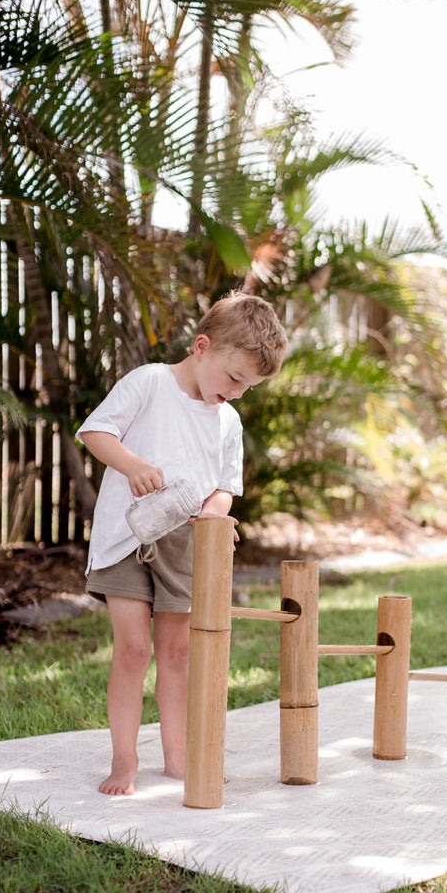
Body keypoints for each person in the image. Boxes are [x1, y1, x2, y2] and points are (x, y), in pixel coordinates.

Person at [77, 292, 287, 796]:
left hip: (182, 549)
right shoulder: (150, 382)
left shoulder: (227, 420)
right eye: (234, 379)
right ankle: (124, 759)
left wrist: (214, 518)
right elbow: (95, 431)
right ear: (201, 347)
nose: (237, 394)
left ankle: (178, 758)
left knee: (175, 653)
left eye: (248, 388)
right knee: (133, 648)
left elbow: (224, 487)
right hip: (126, 538)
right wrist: (134, 466)